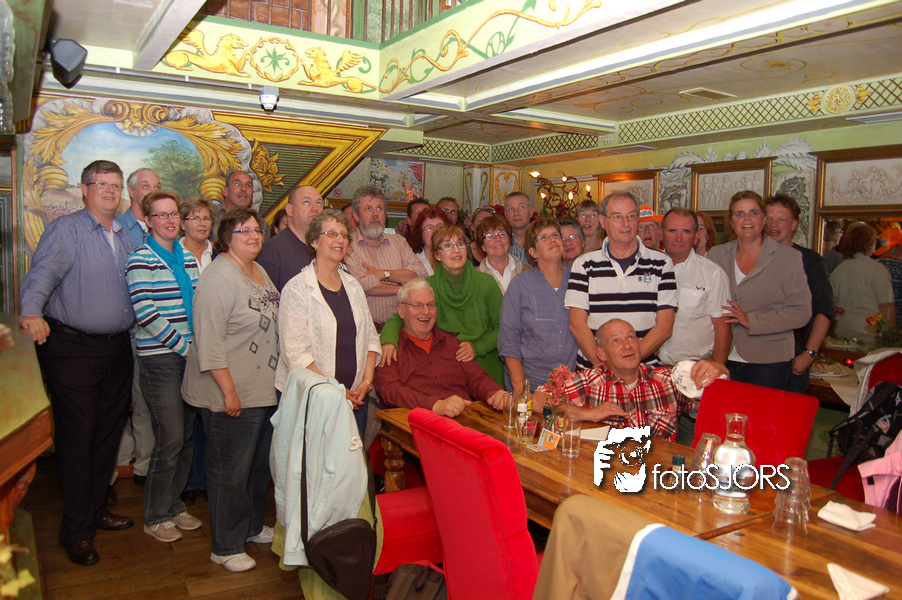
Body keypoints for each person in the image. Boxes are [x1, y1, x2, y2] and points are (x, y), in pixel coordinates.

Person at [19, 160, 136, 566]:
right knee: (78, 439)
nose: (110, 190)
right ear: (84, 190)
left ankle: (97, 509)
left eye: (115, 184)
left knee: (107, 435)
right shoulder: (65, 231)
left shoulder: (124, 236)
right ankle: (76, 531)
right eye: (101, 183)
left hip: (117, 350)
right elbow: (41, 275)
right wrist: (31, 311)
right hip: (73, 350)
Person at [181, 208, 280, 573]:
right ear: (226, 238)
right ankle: (225, 546)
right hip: (229, 393)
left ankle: (250, 527)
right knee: (229, 473)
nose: (254, 236)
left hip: (261, 391)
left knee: (255, 469)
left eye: (257, 230)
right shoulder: (219, 276)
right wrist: (228, 391)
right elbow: (208, 340)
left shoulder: (258, 270)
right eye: (244, 231)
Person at [125, 191, 202, 543]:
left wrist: (199, 349)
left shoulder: (187, 258)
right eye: (161, 215)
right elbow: (146, 314)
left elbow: (199, 305)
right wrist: (186, 348)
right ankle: (155, 516)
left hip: (191, 358)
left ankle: (174, 505)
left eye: (174, 214)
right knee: (168, 439)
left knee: (185, 438)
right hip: (161, 359)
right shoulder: (139, 259)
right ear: (148, 220)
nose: (169, 221)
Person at [275, 209, 381, 438]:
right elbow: (295, 354)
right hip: (313, 400)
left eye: (344, 235)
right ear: (314, 241)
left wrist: (366, 382)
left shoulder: (353, 286)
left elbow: (371, 339)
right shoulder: (297, 289)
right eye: (331, 234)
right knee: (312, 462)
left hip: (356, 398)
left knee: (352, 460)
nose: (339, 240)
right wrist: (335, 390)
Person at [532, 319, 727, 441]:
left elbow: (713, 405)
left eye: (631, 338)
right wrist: (589, 414)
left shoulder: (667, 380)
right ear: (601, 353)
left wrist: (720, 371)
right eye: (616, 341)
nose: (627, 346)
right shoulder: (588, 382)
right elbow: (539, 400)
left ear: (639, 345)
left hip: (657, 476)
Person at [708, 191, 811, 391]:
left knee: (762, 412)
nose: (746, 219)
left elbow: (801, 312)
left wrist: (751, 320)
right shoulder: (717, 254)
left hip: (769, 363)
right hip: (722, 357)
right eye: (739, 214)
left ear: (764, 219)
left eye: (753, 213)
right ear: (731, 222)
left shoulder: (789, 258)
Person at [380, 224, 505, 386]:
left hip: (486, 364)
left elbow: (503, 328)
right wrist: (389, 342)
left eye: (460, 244)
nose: (456, 250)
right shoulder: (428, 286)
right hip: (447, 367)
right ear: (437, 255)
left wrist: (477, 347)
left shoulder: (486, 283)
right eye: (447, 245)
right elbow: (399, 316)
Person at [566, 191, 677, 369]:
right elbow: (577, 324)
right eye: (617, 217)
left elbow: (665, 326)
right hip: (595, 370)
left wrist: (628, 363)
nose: (626, 224)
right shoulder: (584, 264)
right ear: (603, 221)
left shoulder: (662, 263)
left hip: (643, 370)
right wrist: (602, 366)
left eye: (631, 216)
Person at [374, 279, 507, 416]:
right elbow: (390, 391)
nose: (426, 311)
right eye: (417, 305)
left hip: (462, 418)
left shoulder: (451, 342)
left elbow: (476, 377)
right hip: (412, 422)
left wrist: (495, 392)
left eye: (431, 305)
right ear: (401, 311)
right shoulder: (389, 348)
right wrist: (435, 405)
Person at [659, 208, 731, 444]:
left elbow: (722, 327)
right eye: (672, 231)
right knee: (653, 445)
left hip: (695, 375)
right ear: (662, 233)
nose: (679, 237)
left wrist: (717, 370)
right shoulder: (648, 268)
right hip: (655, 374)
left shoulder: (712, 274)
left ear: (697, 236)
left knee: (691, 446)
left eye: (686, 231)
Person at [114, 168, 161, 490]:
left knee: (147, 403)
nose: (152, 191)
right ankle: (117, 464)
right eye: (146, 186)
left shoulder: (165, 230)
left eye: (157, 186)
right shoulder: (117, 228)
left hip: (156, 335)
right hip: (123, 331)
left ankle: (144, 466)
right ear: (131, 192)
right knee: (118, 403)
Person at [765, 194, 835, 394]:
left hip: (791, 360)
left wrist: (809, 354)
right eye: (769, 218)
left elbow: (824, 311)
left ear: (793, 224)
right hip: (752, 361)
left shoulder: (810, 261)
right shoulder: (750, 258)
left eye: (781, 219)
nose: (773, 224)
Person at [499, 218, 578, 394]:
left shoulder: (577, 280)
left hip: (573, 386)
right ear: (533, 252)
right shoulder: (520, 285)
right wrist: (521, 388)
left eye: (556, 235)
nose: (552, 240)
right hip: (531, 385)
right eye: (543, 237)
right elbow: (509, 340)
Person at [342, 185, 427, 325]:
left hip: (402, 327)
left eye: (379, 208)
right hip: (369, 329)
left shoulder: (398, 242)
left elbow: (420, 274)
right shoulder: (347, 246)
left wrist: (383, 274)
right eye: (368, 209)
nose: (375, 214)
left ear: (385, 213)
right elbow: (361, 284)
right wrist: (402, 288)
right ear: (356, 216)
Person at [831, 225, 896, 344]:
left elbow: (833, 303)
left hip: (841, 330)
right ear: (868, 244)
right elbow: (886, 306)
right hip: (868, 332)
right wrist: (891, 334)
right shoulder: (878, 270)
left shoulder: (839, 269)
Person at [257, 185, 324, 291]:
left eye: (319, 203)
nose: (315, 208)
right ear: (290, 210)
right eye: (306, 202)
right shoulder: (272, 251)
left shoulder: (326, 246)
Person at [475, 214, 529, 294]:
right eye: (490, 236)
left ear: (509, 240)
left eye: (502, 234)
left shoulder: (527, 271)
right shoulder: (475, 277)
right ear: (482, 246)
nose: (498, 239)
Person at [408, 205, 451, 276]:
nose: (435, 231)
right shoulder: (413, 261)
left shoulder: (453, 258)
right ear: (420, 235)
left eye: (440, 226)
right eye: (429, 228)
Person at [179, 196, 215, 272]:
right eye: (195, 218)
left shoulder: (220, 255)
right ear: (182, 224)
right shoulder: (172, 254)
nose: (202, 224)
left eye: (206, 218)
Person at [876, 228, 902, 326]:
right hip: (898, 324)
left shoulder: (873, 265)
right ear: (899, 247)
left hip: (873, 321)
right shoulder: (900, 267)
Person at [503, 192, 533, 263]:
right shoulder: (501, 243)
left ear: (531, 212)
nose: (516, 213)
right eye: (511, 209)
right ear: (505, 215)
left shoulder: (542, 241)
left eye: (521, 207)